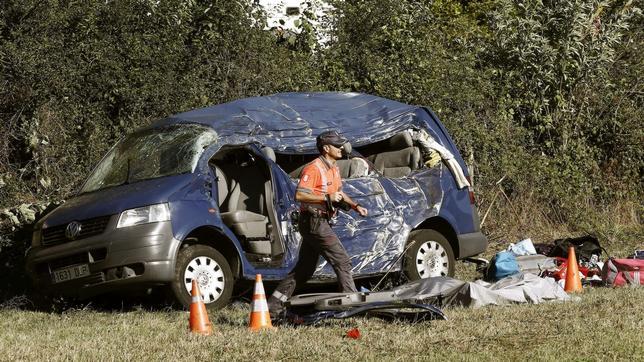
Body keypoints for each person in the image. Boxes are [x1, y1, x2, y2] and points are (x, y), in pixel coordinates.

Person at [268, 130, 368, 316]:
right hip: (313, 221)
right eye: (337, 145)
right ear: (326, 148)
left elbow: (339, 192)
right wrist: (326, 196)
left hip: (321, 221)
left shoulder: (334, 167)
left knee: (304, 270)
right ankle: (352, 306)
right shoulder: (314, 168)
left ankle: (272, 307)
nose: (341, 148)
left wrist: (356, 206)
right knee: (342, 260)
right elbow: (299, 194)